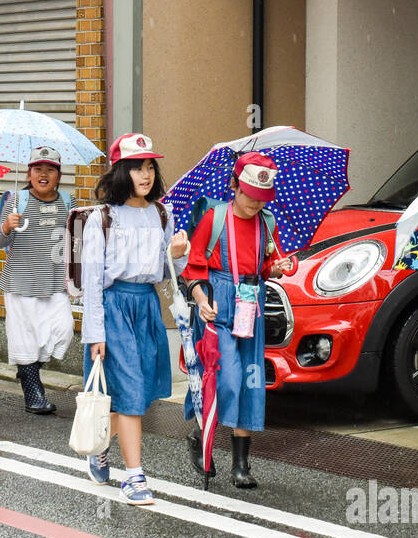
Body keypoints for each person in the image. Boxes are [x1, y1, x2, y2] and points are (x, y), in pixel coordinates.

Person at [80, 133, 190, 506]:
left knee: (138, 392)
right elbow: (93, 280)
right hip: (114, 307)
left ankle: (98, 448)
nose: (145, 174)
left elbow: (167, 271)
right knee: (127, 391)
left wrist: (176, 253)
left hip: (146, 305)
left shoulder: (162, 213)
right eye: (137, 167)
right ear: (121, 171)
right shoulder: (102, 218)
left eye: (149, 167)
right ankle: (134, 477)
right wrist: (94, 332)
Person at [181, 152, 289, 489]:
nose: (256, 204)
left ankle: (241, 464)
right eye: (251, 196)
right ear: (234, 186)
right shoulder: (214, 219)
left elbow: (266, 265)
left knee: (251, 383)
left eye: (262, 198)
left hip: (251, 308)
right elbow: (192, 269)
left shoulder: (267, 224)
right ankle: (202, 437)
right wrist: (201, 301)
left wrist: (277, 269)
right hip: (218, 305)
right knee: (225, 379)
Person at [0, 145, 76, 414]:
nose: (43, 174)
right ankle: (33, 395)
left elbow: (78, 239)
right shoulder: (16, 200)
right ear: (29, 173)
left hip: (55, 283)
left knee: (63, 331)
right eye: (38, 169)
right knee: (25, 338)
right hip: (21, 282)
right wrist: (7, 226)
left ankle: (26, 367)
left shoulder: (68, 202)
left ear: (58, 175)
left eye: (50, 170)